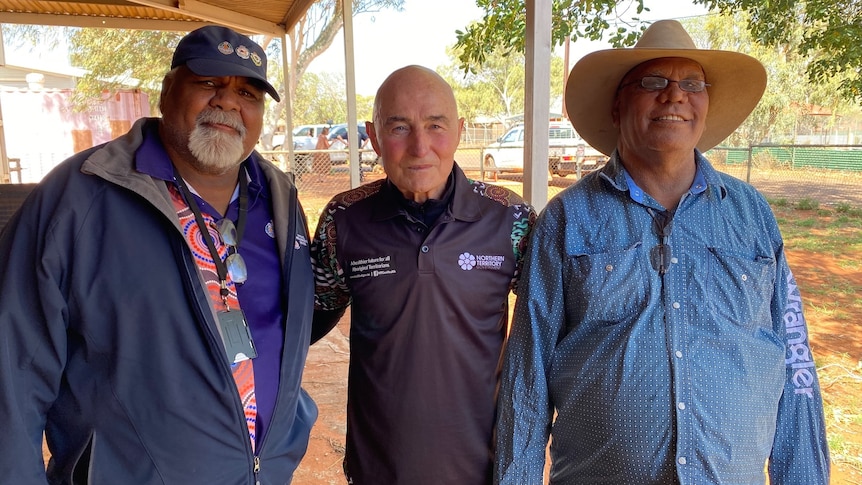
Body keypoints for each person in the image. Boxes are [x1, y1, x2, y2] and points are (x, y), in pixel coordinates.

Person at [494, 20, 830, 484]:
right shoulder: (567, 219)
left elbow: (793, 355)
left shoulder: (751, 215)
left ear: (706, 104)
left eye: (691, 84)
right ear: (617, 107)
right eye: (653, 82)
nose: (675, 95)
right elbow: (526, 373)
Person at [0, 25, 318, 484]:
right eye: (209, 83)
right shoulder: (82, 196)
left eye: (248, 93)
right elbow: (14, 366)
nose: (228, 102)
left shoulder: (280, 199)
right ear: (168, 90)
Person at [310, 65, 536, 485]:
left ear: (459, 130)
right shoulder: (344, 220)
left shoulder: (511, 218)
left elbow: (548, 331)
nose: (420, 146)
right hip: (378, 468)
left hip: (483, 468)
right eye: (399, 127)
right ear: (373, 137)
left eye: (436, 125)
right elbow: (311, 318)